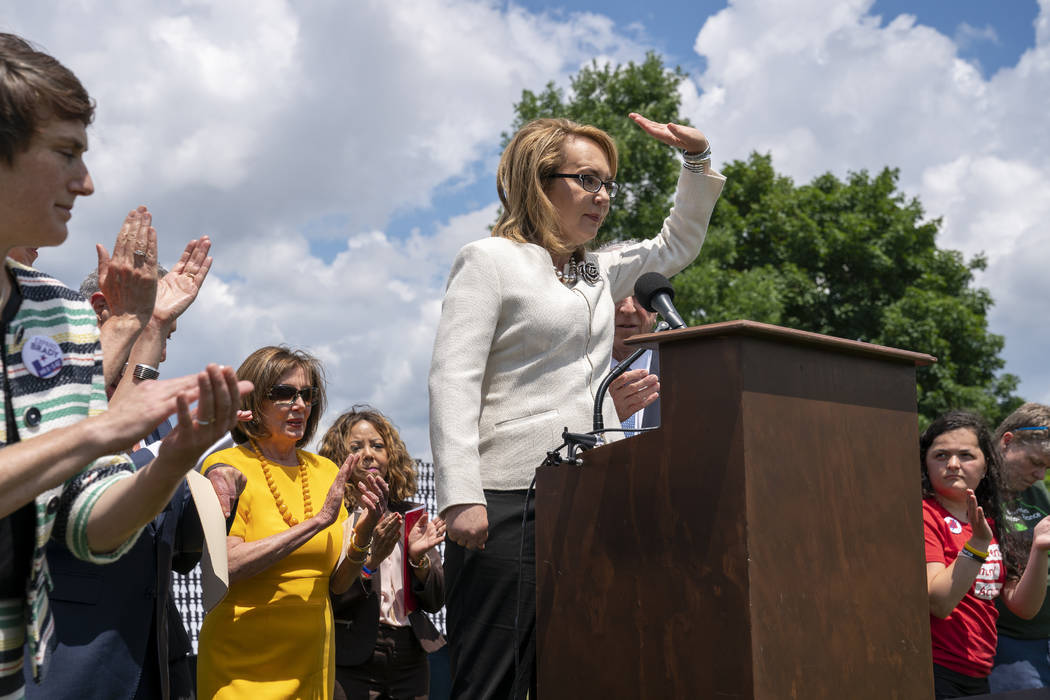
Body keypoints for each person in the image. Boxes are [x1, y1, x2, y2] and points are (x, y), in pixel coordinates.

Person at [428, 114, 725, 698]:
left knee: (586, 666)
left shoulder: (596, 270)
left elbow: (676, 244)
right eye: (589, 180)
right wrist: (462, 495)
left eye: (610, 184)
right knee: (496, 682)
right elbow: (452, 379)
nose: (604, 197)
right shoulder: (489, 260)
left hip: (596, 493)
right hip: (510, 498)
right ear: (540, 182)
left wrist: (697, 160)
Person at [0, 32, 249, 700]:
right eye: (65, 153)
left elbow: (85, 522)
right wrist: (105, 424)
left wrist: (174, 460)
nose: (87, 182)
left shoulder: (56, 316)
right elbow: (91, 440)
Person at [24, 212, 213, 700]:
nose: (166, 355)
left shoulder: (161, 415)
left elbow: (165, 541)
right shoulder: (41, 379)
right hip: (64, 657)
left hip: (149, 661)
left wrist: (207, 491)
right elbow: (79, 444)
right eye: (164, 339)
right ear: (100, 307)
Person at [197, 346, 387, 699]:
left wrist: (364, 534)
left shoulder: (326, 471)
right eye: (284, 394)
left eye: (307, 394)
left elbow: (339, 582)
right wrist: (317, 523)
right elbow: (227, 566)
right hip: (240, 664)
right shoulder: (225, 467)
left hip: (311, 662)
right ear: (254, 402)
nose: (299, 404)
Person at [318, 406, 446, 700]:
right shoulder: (333, 516)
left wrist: (419, 559)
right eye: (356, 447)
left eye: (377, 445)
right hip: (354, 653)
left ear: (391, 456)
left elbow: (437, 599)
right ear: (339, 458)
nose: (368, 453)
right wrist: (369, 563)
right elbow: (332, 596)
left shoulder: (411, 515)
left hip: (409, 655)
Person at [921, 411, 1050, 698]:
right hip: (936, 669)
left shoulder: (991, 519)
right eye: (941, 455)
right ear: (925, 462)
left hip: (978, 669)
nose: (953, 464)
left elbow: (1023, 606)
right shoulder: (926, 514)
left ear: (985, 465)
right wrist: (978, 544)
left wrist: (1040, 549)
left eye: (966, 455)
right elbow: (939, 603)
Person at [988, 404, 1050, 692]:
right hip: (1008, 643)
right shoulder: (976, 490)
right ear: (1008, 441)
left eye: (1047, 468)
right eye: (1036, 462)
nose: (1040, 475)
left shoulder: (1036, 493)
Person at [608, 292, 660, 434]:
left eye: (638, 296)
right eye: (619, 291)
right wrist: (606, 415)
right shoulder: (568, 374)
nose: (628, 309)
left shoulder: (683, 372)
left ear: (656, 311)